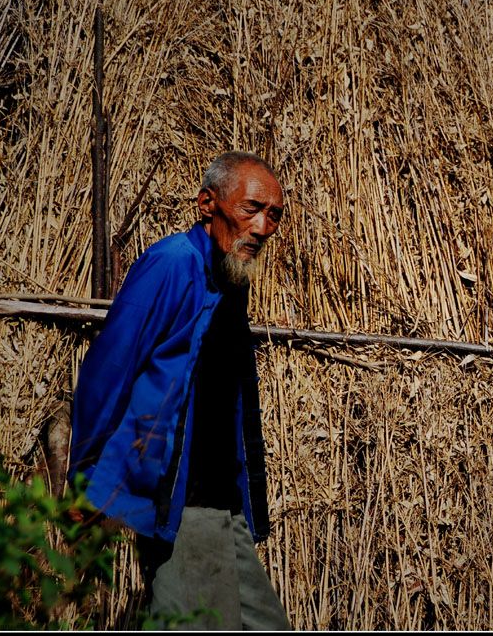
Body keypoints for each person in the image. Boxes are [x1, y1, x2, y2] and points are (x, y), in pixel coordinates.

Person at [69, 151, 293, 630]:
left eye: (274, 214)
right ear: (207, 204)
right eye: (252, 208)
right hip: (184, 502)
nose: (263, 226)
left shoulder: (231, 280)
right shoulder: (172, 265)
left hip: (224, 504)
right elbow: (109, 369)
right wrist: (87, 476)